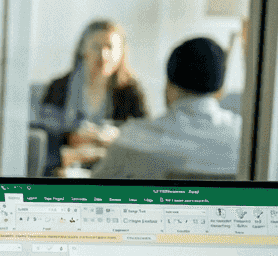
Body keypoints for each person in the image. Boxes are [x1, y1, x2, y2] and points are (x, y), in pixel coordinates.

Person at [91, 37, 241, 179]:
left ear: (169, 87)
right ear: (221, 90)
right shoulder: (245, 138)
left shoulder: (133, 139)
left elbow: (95, 189)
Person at [36, 20, 148, 173]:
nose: (103, 55)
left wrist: (112, 139)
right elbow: (43, 138)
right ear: (83, 49)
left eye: (110, 47)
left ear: (121, 52)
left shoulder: (131, 91)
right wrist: (73, 138)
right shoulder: (58, 87)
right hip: (65, 168)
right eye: (96, 46)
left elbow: (144, 136)